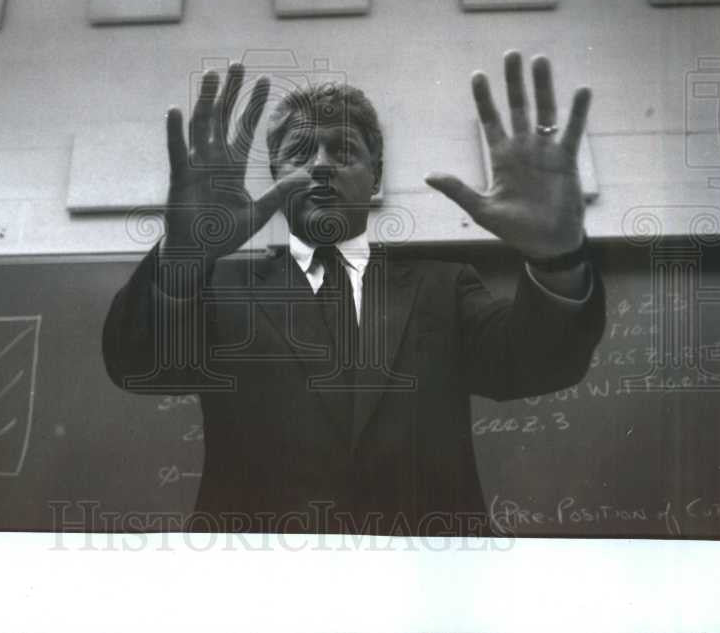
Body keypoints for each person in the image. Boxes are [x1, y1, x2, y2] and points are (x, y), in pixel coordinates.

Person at [102, 51, 605, 536]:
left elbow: (543, 362)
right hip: (258, 586)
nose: (320, 166)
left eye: (343, 151)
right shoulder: (219, 289)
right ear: (277, 175)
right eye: (299, 153)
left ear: (376, 178)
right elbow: (136, 364)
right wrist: (182, 259)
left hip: (428, 585)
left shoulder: (443, 288)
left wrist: (556, 258)